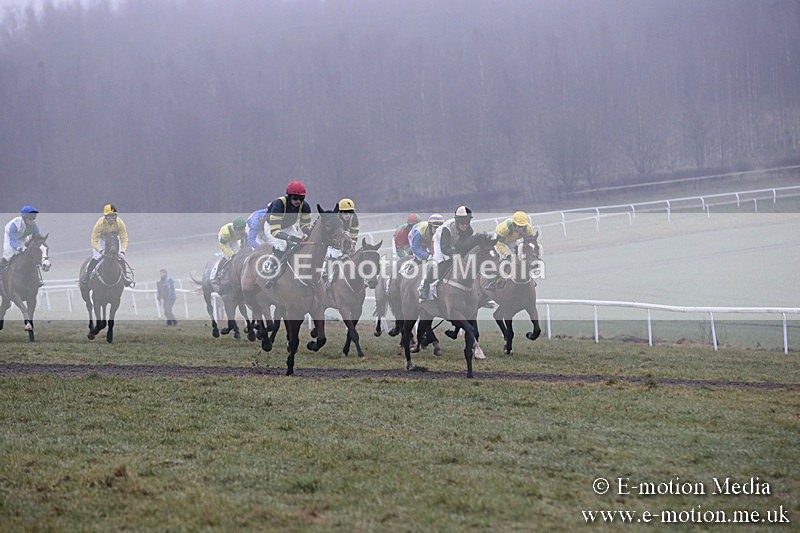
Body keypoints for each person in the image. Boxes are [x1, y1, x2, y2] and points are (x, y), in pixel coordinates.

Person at [420, 206, 475, 300]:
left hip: (454, 241)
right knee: (441, 263)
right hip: (439, 241)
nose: (464, 225)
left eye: (467, 223)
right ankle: (425, 284)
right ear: (457, 221)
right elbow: (445, 248)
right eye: (462, 223)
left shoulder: (469, 230)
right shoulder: (447, 228)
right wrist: (456, 255)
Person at [262, 180, 312, 283]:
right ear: (289, 196)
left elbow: (304, 225)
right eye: (294, 198)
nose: (297, 201)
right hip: (272, 226)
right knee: (282, 245)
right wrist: (289, 237)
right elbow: (275, 231)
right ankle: (270, 266)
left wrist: (308, 231)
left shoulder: (305, 207)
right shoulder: (279, 204)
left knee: (299, 245)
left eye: (301, 198)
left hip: (288, 226)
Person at [83, 204, 133, 286]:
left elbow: (124, 238)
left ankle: (125, 278)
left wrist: (122, 251)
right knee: (96, 257)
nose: (111, 219)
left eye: (113, 216)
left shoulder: (120, 223)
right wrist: (100, 250)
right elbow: (94, 240)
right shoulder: (99, 224)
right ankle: (87, 276)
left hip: (114, 240)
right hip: (102, 240)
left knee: (120, 257)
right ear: (105, 217)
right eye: (109, 216)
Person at [485, 210, 536, 290]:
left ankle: (528, 278)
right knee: (500, 258)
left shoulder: (528, 229)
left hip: (513, 240)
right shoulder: (503, 228)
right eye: (519, 226)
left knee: (521, 257)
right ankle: (491, 281)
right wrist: (507, 255)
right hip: (500, 242)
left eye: (523, 226)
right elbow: (499, 245)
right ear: (514, 224)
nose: (521, 229)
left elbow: (529, 242)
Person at [1, 206, 42, 288]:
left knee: (31, 256)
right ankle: (1, 277)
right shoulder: (14, 225)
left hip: (23, 238)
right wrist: (20, 248)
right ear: (24, 218)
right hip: (11, 240)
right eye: (30, 219)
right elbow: (12, 241)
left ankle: (39, 280)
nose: (31, 221)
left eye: (33, 219)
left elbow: (37, 237)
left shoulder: (33, 225)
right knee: (8, 256)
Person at [325, 198, 360, 288]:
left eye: (350, 212)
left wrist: (352, 246)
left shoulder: (354, 219)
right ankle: (327, 279)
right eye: (345, 213)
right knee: (333, 256)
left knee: (353, 257)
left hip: (344, 235)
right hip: (332, 240)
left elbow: (354, 234)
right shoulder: (335, 218)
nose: (348, 215)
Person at [214, 216, 247, 284]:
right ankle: (217, 274)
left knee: (239, 256)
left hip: (234, 239)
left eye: (242, 229)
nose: (240, 231)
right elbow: (222, 245)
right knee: (227, 258)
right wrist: (231, 254)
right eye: (239, 230)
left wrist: (241, 250)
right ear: (234, 228)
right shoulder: (225, 232)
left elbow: (243, 243)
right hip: (225, 240)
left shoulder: (245, 232)